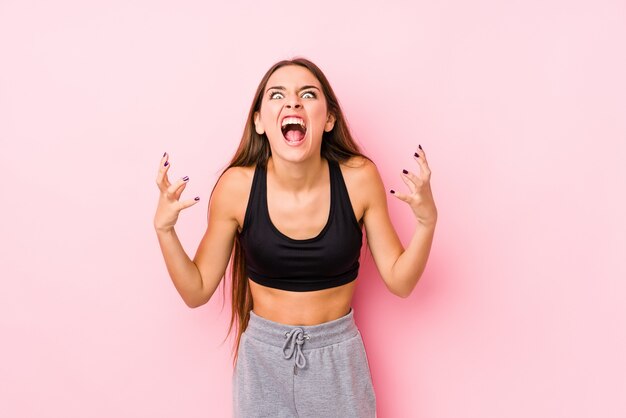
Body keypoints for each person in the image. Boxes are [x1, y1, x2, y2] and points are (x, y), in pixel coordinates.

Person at [153, 57, 437, 418]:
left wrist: (427, 223)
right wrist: (165, 230)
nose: (292, 103)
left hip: (338, 360)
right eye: (276, 95)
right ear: (259, 121)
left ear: (329, 118)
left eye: (307, 94)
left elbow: (400, 281)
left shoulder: (359, 178)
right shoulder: (237, 187)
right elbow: (196, 290)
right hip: (263, 361)